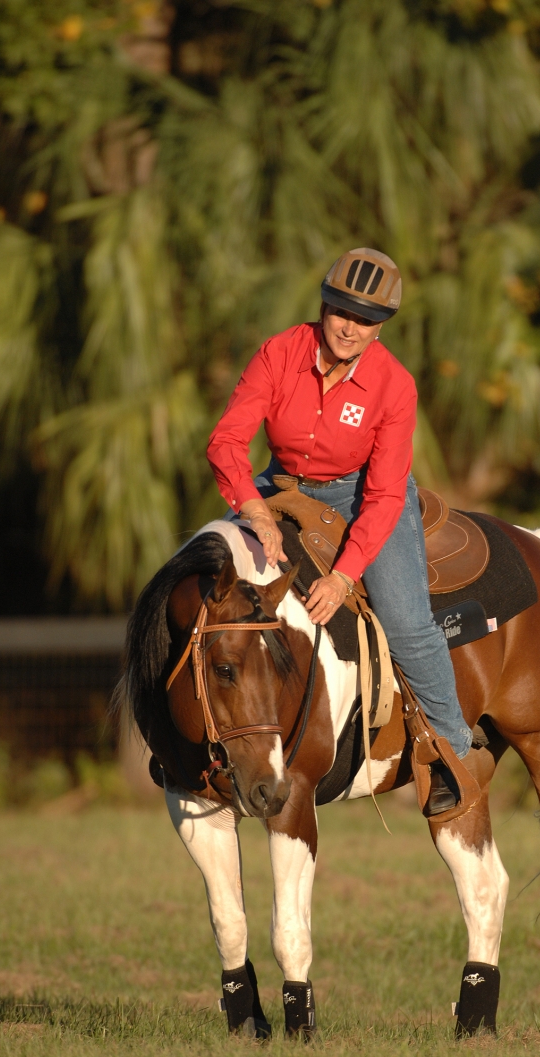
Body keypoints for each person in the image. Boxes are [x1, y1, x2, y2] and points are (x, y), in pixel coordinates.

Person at [206, 247, 486, 815]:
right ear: (324, 305)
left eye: (367, 319)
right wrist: (256, 512)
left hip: (360, 493)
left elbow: (384, 495)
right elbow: (227, 442)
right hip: (280, 486)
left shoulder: (395, 386)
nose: (351, 327)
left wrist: (341, 577)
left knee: (407, 621)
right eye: (342, 311)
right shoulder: (278, 353)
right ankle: (187, 737)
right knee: (210, 573)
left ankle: (455, 751)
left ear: (382, 328)